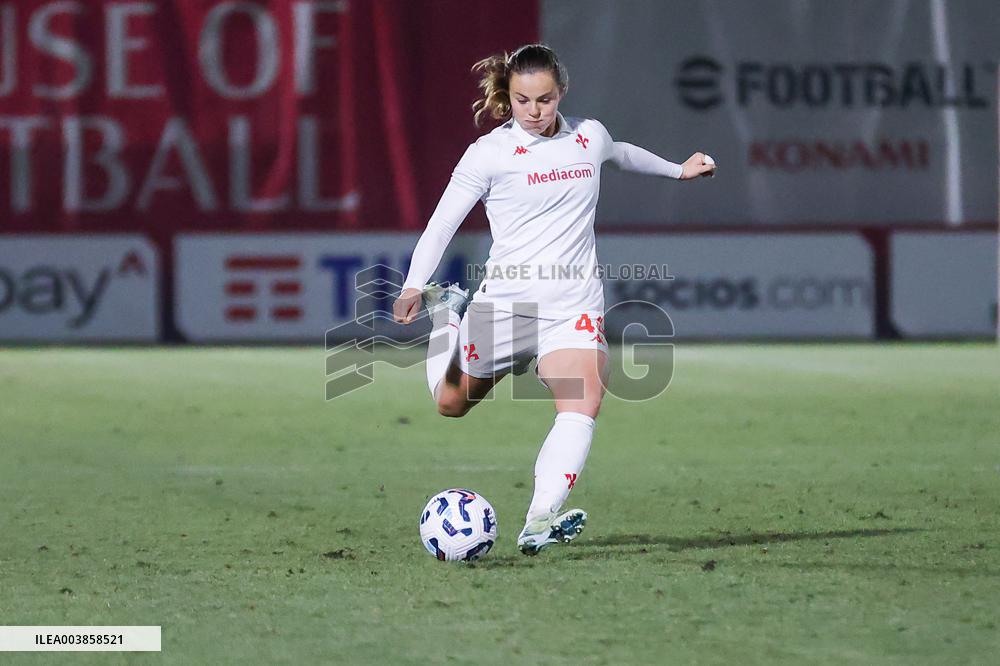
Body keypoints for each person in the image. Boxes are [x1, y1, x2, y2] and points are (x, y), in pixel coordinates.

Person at [392, 44, 715, 555]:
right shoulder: (489, 154)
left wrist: (678, 170)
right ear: (509, 97)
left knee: (584, 397)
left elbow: (621, 153)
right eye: (523, 100)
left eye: (544, 99)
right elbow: (442, 223)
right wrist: (415, 282)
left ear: (560, 92)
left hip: (573, 307)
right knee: (450, 403)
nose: (534, 111)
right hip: (504, 308)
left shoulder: (589, 135)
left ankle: (539, 517)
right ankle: (447, 316)